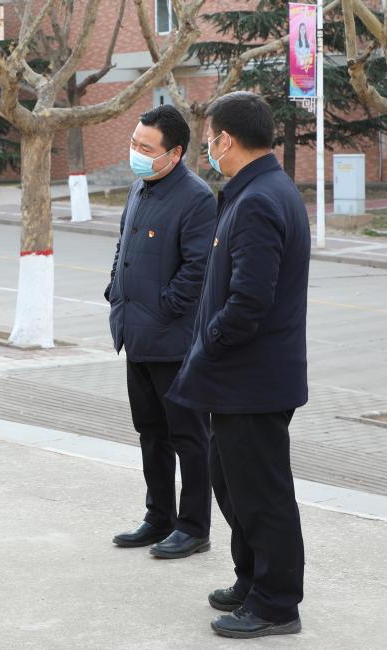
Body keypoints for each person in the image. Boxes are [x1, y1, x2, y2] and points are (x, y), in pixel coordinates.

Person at [168, 91, 310, 639]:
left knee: (262, 494)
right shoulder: (260, 190)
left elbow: (249, 301)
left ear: (226, 139)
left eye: (209, 137)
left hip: (251, 380)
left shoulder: (259, 200)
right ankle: (252, 580)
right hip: (241, 378)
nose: (207, 146)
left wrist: (210, 342)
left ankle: (276, 604)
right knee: (233, 485)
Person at [107, 105, 216, 559]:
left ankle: (193, 527)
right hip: (135, 335)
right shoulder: (140, 187)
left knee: (188, 437)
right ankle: (158, 517)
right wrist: (114, 288)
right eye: (134, 143)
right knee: (150, 432)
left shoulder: (196, 198)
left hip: (172, 341)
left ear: (174, 153)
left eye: (146, 148)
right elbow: (123, 245)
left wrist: (164, 307)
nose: (136, 152)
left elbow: (198, 268)